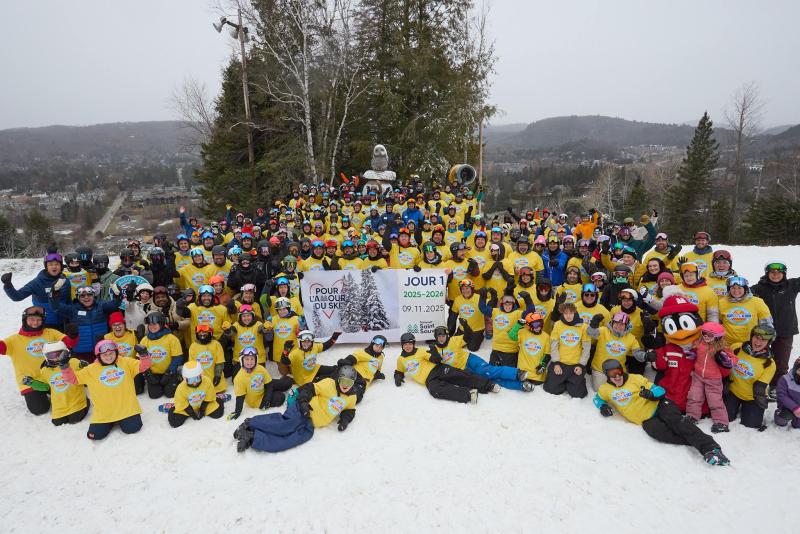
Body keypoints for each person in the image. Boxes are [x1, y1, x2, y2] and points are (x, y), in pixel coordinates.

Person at [594, 359, 730, 466]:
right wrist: (602, 406)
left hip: (660, 405)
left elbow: (660, 390)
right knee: (660, 434)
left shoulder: (635, 378)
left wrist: (651, 394)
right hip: (647, 420)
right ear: (607, 375)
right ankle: (695, 440)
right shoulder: (605, 389)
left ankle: (710, 448)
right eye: (613, 374)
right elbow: (597, 399)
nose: (617, 376)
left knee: (678, 423)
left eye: (619, 372)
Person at [234, 366, 359, 453]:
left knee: (289, 440)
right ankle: (249, 423)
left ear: (353, 383)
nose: (345, 385)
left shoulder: (351, 397)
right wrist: (303, 402)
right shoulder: (329, 384)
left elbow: (349, 410)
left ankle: (252, 437)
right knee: (284, 426)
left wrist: (345, 420)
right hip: (303, 410)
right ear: (339, 379)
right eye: (343, 381)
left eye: (349, 383)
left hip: (310, 426)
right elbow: (309, 388)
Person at [60, 340, 152, 440]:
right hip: (103, 413)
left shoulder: (126, 362)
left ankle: (120, 420)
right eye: (104, 354)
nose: (108, 356)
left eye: (111, 353)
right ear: (98, 356)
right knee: (94, 436)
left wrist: (144, 354)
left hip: (127, 409)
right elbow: (72, 379)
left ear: (116, 352)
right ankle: (109, 421)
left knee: (133, 429)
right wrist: (64, 366)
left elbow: (144, 366)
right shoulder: (90, 369)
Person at [0, 307, 78, 416]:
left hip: (53, 375)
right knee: (39, 409)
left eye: (39, 320)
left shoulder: (50, 333)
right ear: (25, 320)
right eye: (31, 319)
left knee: (71, 399)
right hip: (31, 381)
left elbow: (69, 344)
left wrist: (73, 336)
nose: (35, 323)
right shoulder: (14, 340)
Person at [394, 332, 496, 404]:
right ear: (402, 345)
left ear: (413, 344)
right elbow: (399, 371)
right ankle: (469, 394)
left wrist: (435, 355)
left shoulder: (420, 351)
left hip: (437, 369)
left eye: (410, 344)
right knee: (435, 391)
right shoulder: (401, 359)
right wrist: (398, 376)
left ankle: (488, 385)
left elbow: (435, 360)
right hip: (428, 380)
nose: (408, 346)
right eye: (405, 344)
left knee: (458, 375)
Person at [752, 261, 800, 395]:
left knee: (781, 362)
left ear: (784, 274)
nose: (775, 275)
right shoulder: (759, 288)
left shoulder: (791, 285)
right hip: (764, 331)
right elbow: (741, 293)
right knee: (760, 358)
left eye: (779, 272)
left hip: (786, 331)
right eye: (772, 272)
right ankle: (756, 384)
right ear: (767, 273)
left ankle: (776, 387)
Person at [23, 341, 90, 426]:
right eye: (51, 355)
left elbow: (87, 373)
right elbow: (45, 387)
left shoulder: (73, 362)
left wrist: (85, 365)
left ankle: (86, 402)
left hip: (76, 402)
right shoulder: (45, 370)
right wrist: (32, 383)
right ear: (46, 356)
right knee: (58, 423)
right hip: (60, 407)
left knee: (74, 419)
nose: (56, 358)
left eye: (59, 354)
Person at [685, 323, 735, 433]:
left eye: (710, 335)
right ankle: (692, 416)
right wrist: (694, 356)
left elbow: (734, 359)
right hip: (698, 376)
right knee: (694, 396)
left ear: (718, 336)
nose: (706, 336)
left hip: (713, 379)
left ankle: (721, 422)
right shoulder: (700, 343)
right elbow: (697, 353)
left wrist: (728, 361)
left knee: (715, 400)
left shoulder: (722, 348)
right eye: (704, 333)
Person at [725, 325, 776, 431]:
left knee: (751, 425)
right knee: (725, 418)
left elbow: (760, 386)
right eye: (756, 337)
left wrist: (761, 398)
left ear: (769, 342)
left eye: (764, 340)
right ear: (751, 336)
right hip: (734, 391)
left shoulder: (769, 363)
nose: (758, 342)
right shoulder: (737, 348)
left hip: (753, 396)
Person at [3, 251, 71, 329]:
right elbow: (17, 296)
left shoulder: (65, 281)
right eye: (50, 264)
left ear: (61, 266)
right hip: (43, 325)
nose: (54, 267)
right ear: (46, 266)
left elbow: (69, 301)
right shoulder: (37, 282)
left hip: (63, 324)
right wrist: (8, 285)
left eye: (57, 264)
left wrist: (72, 319)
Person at [586, 312, 646, 391]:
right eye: (616, 323)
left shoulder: (631, 338)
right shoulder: (604, 330)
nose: (618, 326)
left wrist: (646, 356)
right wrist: (593, 325)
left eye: (622, 324)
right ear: (612, 322)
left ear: (626, 326)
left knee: (619, 392)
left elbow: (637, 354)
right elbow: (590, 333)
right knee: (601, 390)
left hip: (619, 372)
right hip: (600, 370)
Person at [229, 347, 293, 420]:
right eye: (247, 359)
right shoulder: (239, 378)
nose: (249, 362)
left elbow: (269, 384)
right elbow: (240, 397)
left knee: (287, 382)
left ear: (256, 359)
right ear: (241, 360)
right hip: (257, 401)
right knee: (280, 397)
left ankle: (283, 383)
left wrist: (267, 398)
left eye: (252, 359)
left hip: (264, 387)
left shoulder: (260, 368)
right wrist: (237, 411)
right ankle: (274, 393)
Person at [544, 302, 590, 398]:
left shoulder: (583, 326)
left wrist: (581, 365)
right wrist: (556, 363)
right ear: (562, 313)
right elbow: (554, 345)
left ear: (575, 312)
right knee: (552, 389)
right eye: (565, 313)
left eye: (571, 313)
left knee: (578, 394)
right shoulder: (557, 325)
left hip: (575, 364)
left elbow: (586, 348)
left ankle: (575, 382)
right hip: (561, 363)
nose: (568, 316)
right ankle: (561, 380)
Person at [167, 360, 224, 428]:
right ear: (185, 379)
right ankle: (172, 408)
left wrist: (202, 410)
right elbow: (182, 402)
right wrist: (192, 413)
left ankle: (218, 400)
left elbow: (209, 396)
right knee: (175, 423)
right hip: (188, 407)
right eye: (190, 380)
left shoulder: (207, 381)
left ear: (201, 375)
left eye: (197, 378)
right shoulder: (181, 388)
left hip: (203, 403)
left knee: (218, 414)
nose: (194, 382)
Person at [718, 276, 772, 346]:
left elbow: (766, 324)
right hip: (727, 345)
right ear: (729, 289)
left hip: (750, 344)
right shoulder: (721, 302)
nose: (736, 291)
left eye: (739, 288)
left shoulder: (757, 302)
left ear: (745, 289)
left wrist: (763, 341)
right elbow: (716, 323)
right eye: (733, 288)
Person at [336, 335, 387, 402]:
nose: (378, 348)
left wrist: (378, 374)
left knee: (356, 397)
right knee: (336, 386)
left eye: (380, 347)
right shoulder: (362, 352)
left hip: (363, 382)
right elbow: (353, 358)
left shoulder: (380, 358)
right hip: (353, 375)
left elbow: (377, 369)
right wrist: (347, 361)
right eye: (376, 346)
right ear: (372, 344)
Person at [774, 359, 800, 429]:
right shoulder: (785, 379)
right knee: (781, 420)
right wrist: (795, 408)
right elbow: (782, 395)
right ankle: (779, 414)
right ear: (795, 368)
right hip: (787, 407)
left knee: (797, 426)